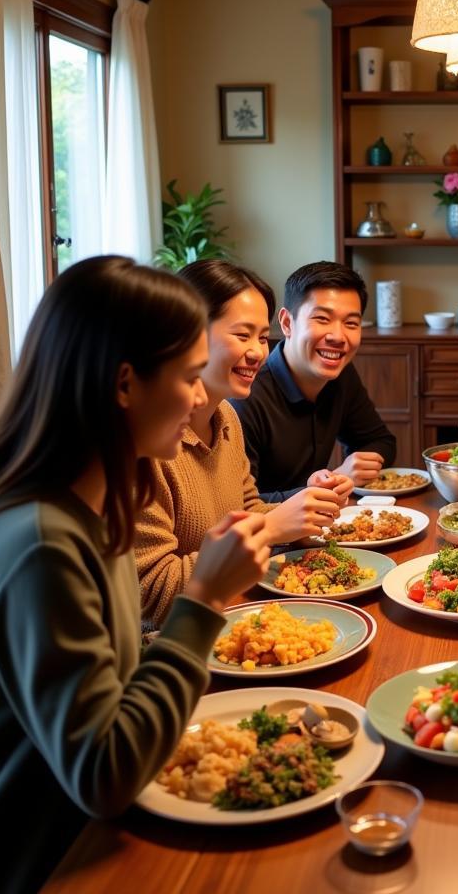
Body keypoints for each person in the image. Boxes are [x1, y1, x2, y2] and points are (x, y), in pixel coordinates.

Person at [0, 256, 271, 894]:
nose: (201, 399)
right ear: (126, 384)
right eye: (191, 377)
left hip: (99, 836)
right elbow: (101, 772)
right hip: (37, 881)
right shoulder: (39, 542)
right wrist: (202, 598)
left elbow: (119, 679)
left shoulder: (93, 507)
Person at [135, 260, 351, 627]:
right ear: (189, 333)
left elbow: (247, 509)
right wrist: (270, 529)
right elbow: (151, 598)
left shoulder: (227, 420)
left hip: (234, 615)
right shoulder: (146, 444)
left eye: (262, 337)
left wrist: (303, 507)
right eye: (242, 335)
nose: (257, 353)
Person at [230, 262, 396, 500]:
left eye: (351, 323)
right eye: (322, 318)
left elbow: (381, 441)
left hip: (319, 526)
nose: (338, 337)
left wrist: (352, 469)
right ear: (287, 323)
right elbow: (239, 504)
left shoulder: (340, 375)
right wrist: (325, 487)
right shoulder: (245, 394)